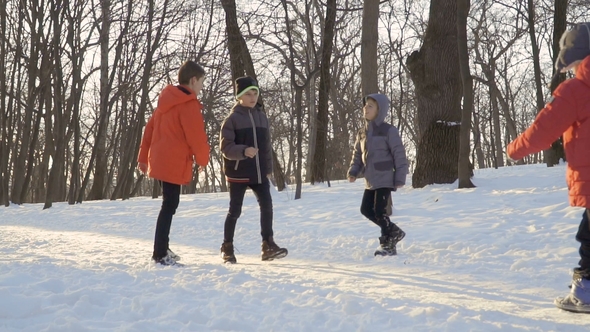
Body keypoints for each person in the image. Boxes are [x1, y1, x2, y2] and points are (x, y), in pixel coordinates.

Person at [506, 22, 590, 312]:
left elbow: (543, 130)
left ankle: (586, 292)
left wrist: (514, 150)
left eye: (570, 66)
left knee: (588, 236)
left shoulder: (576, 89)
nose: (568, 71)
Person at [137, 61, 210, 266]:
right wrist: (203, 158)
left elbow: (149, 130)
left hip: (160, 161)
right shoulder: (187, 104)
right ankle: (160, 253)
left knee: (168, 204)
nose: (202, 87)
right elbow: (196, 136)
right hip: (172, 161)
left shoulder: (165, 101)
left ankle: (162, 247)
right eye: (202, 82)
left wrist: (143, 158)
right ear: (193, 80)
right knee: (169, 205)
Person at [219, 76, 287, 264]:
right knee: (235, 210)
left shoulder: (262, 117)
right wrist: (243, 151)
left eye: (255, 93)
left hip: (259, 173)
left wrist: (268, 169)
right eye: (248, 94)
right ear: (239, 97)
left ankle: (268, 245)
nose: (252, 97)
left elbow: (266, 147)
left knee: (267, 206)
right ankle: (227, 247)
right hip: (238, 173)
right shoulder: (231, 120)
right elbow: (225, 148)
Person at [348, 93, 409, 256]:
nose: (366, 108)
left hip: (385, 177)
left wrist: (400, 177)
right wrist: (353, 171)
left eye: (370, 106)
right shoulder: (362, 133)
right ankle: (394, 231)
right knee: (365, 209)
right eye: (365, 105)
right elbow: (357, 155)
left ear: (379, 110)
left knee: (380, 212)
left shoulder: (389, 130)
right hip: (370, 179)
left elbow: (399, 154)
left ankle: (388, 244)